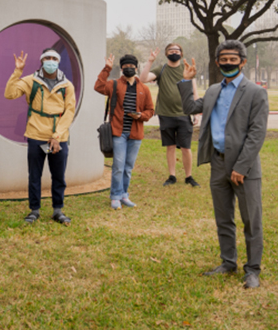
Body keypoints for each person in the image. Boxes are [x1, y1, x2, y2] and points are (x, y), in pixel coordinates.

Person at [178, 40, 268, 289]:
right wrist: (187, 81)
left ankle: (252, 270)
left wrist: (241, 166)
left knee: (251, 220)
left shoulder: (256, 92)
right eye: (224, 59)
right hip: (218, 164)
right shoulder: (213, 90)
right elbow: (189, 108)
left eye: (233, 59)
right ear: (217, 62)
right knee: (223, 217)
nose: (229, 63)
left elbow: (257, 133)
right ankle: (228, 262)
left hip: (244, 168)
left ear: (243, 61)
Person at [5, 48, 77, 225]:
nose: (50, 61)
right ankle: (34, 210)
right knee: (34, 175)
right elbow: (10, 94)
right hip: (36, 134)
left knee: (58, 175)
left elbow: (69, 112)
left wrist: (57, 135)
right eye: (47, 58)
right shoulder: (31, 81)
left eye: (54, 58)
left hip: (59, 138)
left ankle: (57, 210)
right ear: (41, 60)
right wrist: (18, 71)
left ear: (58, 61)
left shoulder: (67, 85)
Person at [94, 54, 155, 210]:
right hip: (118, 132)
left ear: (136, 68)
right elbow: (99, 86)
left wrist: (141, 116)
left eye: (132, 66)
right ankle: (115, 196)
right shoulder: (114, 85)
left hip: (136, 133)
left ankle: (124, 195)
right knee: (118, 166)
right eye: (126, 66)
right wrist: (107, 67)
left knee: (128, 167)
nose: (129, 69)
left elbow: (150, 110)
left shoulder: (144, 88)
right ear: (121, 68)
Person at [139, 43, 200, 187]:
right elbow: (143, 79)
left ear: (181, 53)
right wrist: (150, 61)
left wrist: (196, 112)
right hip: (165, 114)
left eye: (177, 50)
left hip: (184, 114)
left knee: (186, 147)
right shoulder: (161, 69)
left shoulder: (187, 69)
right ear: (166, 54)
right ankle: (172, 176)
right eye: (171, 51)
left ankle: (188, 176)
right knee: (170, 146)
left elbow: (194, 91)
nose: (174, 52)